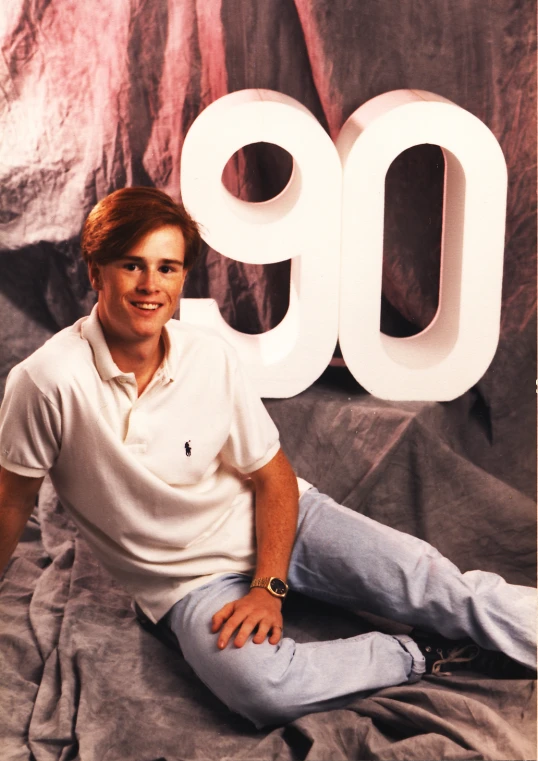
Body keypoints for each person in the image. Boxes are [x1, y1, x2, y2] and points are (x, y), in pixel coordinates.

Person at [0, 187, 535, 729]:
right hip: (189, 583)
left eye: (167, 267)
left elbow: (273, 476)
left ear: (182, 277)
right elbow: (10, 503)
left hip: (285, 521)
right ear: (96, 271)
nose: (149, 286)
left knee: (431, 580)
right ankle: (414, 654)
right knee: (260, 689)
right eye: (131, 265)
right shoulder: (45, 383)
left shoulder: (208, 355)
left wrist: (267, 587)